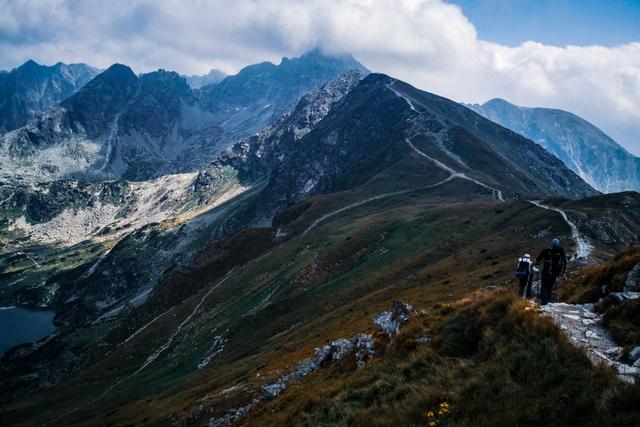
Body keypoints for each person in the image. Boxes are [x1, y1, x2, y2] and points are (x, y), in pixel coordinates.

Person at [535, 238, 567, 305]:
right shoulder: (561, 249)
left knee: (544, 285)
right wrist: (563, 272)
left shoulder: (546, 250)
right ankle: (549, 300)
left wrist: (534, 265)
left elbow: (538, 259)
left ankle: (544, 300)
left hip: (546, 270)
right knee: (550, 285)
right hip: (555, 271)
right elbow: (564, 260)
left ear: (551, 244)